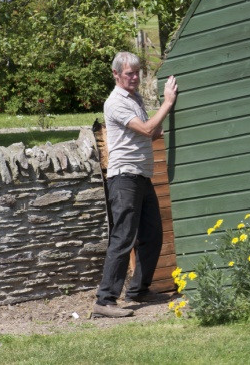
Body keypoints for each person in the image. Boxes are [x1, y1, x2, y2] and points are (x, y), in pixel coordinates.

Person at [93, 52, 178, 318]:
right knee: (123, 238)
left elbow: (152, 130)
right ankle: (104, 300)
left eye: (137, 72)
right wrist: (167, 103)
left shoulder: (134, 99)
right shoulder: (115, 102)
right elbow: (146, 129)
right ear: (116, 74)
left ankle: (139, 290)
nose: (134, 77)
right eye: (129, 73)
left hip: (141, 175)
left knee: (152, 234)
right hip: (124, 178)